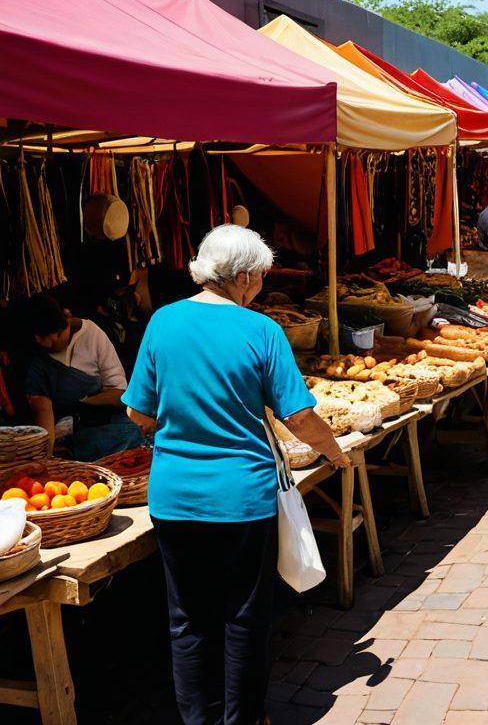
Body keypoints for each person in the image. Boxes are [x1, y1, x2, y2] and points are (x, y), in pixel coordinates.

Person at [122, 225, 350, 725]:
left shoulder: (162, 321)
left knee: (188, 620)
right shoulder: (261, 331)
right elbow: (298, 417)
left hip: (174, 498)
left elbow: (139, 414)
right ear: (244, 276)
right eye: (262, 277)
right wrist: (334, 451)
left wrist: (184, 416)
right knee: (243, 617)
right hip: (241, 499)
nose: (262, 286)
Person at [23, 294, 144, 460]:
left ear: (52, 334)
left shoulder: (91, 334)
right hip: (62, 427)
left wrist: (84, 400)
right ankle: (67, 452)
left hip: (99, 423)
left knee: (132, 429)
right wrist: (47, 455)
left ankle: (73, 452)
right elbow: (42, 413)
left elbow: (119, 393)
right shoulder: (38, 364)